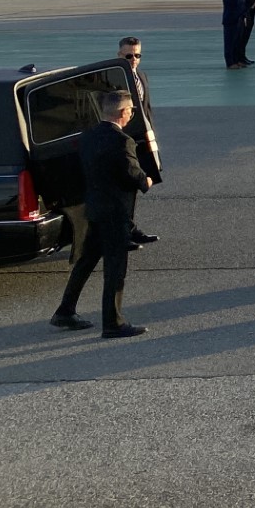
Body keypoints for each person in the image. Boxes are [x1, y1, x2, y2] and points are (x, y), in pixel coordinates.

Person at [50, 90, 151, 338]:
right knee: (115, 268)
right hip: (115, 213)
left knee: (86, 262)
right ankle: (112, 322)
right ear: (122, 112)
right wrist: (145, 180)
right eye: (131, 110)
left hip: (94, 208)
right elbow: (130, 172)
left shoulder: (87, 137)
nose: (131, 113)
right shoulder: (121, 141)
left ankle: (65, 310)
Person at [116, 37, 161, 247]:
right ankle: (123, 233)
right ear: (119, 56)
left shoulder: (142, 76)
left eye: (137, 55)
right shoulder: (114, 79)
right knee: (124, 188)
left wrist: (151, 136)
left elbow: (146, 109)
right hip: (122, 143)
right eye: (129, 55)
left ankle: (130, 229)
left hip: (141, 142)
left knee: (133, 188)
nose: (134, 59)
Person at [221, 0, 249, 69]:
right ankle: (230, 62)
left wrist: (244, 16)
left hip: (240, 19)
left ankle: (237, 60)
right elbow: (233, 3)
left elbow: (243, 4)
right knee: (230, 42)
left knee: (238, 41)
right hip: (231, 20)